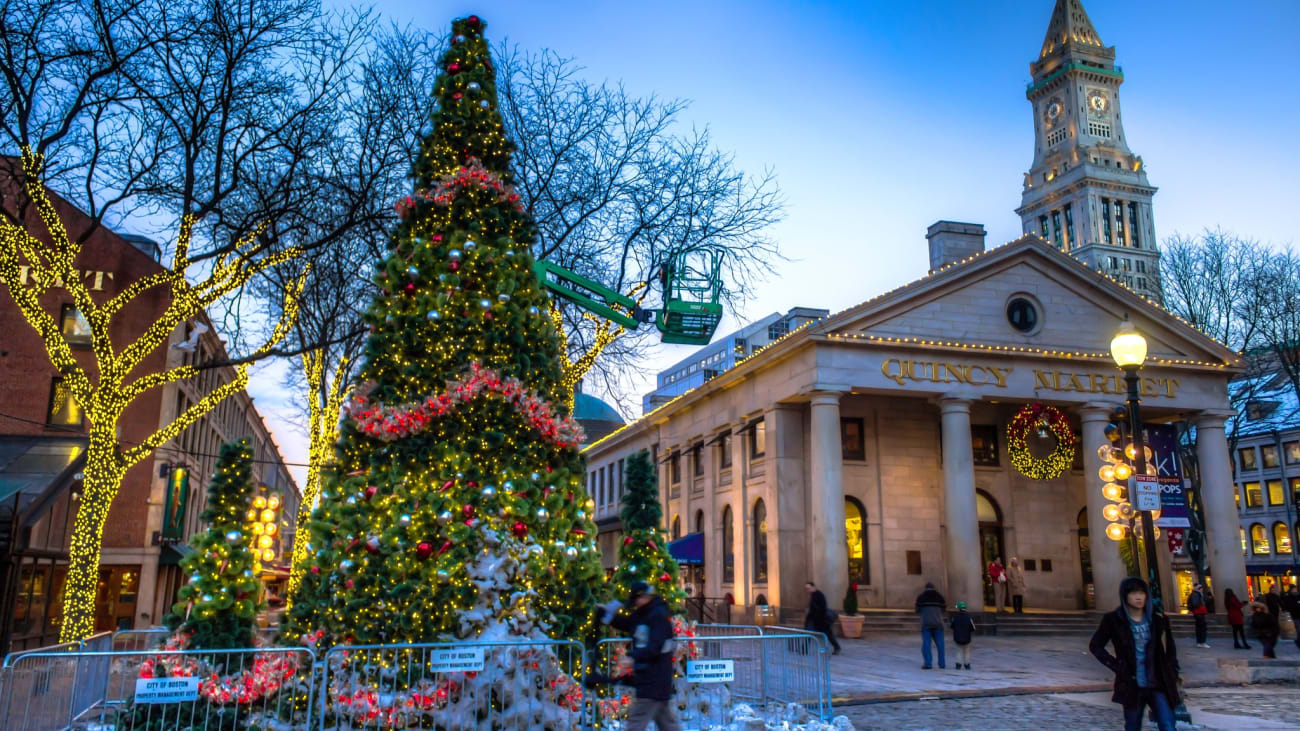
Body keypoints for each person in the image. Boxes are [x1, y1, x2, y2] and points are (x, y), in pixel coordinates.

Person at [1089, 577, 1179, 731]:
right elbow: (1096, 645)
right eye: (1134, 593)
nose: (1139, 597)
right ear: (1125, 596)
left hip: (1158, 681)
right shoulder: (1114, 620)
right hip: (1132, 683)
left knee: (1168, 724)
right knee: (1133, 725)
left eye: (1142, 593)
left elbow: (1170, 649)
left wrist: (1173, 671)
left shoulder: (1158, 619)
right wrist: (1117, 666)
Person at [598, 581, 682, 731]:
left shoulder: (657, 616)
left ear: (643, 597)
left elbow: (655, 647)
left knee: (636, 723)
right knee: (667, 724)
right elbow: (629, 624)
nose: (635, 604)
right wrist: (608, 616)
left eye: (637, 600)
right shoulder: (643, 613)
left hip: (654, 680)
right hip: (653, 679)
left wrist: (633, 657)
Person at [804, 582, 842, 655]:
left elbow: (822, 608)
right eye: (806, 589)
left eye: (808, 588)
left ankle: (837, 647)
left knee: (829, 634)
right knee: (808, 633)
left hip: (821, 620)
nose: (807, 590)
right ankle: (804, 649)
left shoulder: (819, 595)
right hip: (815, 620)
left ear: (813, 587)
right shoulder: (813, 595)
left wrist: (816, 615)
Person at [915, 582, 946, 669]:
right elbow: (943, 610)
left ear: (925, 588)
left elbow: (917, 610)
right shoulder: (940, 597)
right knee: (940, 645)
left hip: (926, 624)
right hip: (938, 624)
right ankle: (942, 664)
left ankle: (928, 663)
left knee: (926, 645)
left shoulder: (921, 597)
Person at [950, 601, 976, 670]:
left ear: (958, 609)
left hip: (957, 638)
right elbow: (973, 628)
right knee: (967, 652)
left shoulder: (954, 618)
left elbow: (952, 626)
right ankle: (967, 664)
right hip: (967, 638)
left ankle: (958, 664)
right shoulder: (969, 618)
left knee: (959, 651)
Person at [1186, 583, 1210, 648]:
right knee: (1202, 628)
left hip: (1197, 613)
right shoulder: (1196, 594)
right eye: (1201, 588)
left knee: (1199, 628)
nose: (1202, 589)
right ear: (1199, 589)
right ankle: (1202, 642)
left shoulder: (1195, 594)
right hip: (1199, 613)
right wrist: (1201, 606)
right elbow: (1195, 603)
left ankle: (1199, 642)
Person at [1283, 585, 1300, 651]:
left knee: (1298, 630)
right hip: (1295, 616)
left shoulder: (1298, 596)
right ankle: (1298, 642)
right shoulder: (1289, 597)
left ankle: (1298, 642)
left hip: (1297, 615)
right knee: (1299, 630)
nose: (1295, 590)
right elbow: (1287, 606)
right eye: (1294, 589)